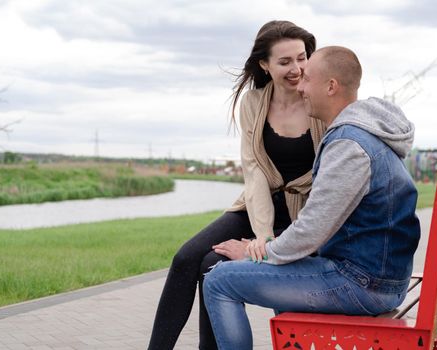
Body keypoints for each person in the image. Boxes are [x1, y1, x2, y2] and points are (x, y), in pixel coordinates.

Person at [203, 46, 421, 350]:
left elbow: (311, 231)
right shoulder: (365, 135)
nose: (300, 87)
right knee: (285, 276)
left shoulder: (349, 144)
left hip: (362, 284)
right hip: (378, 277)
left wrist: (258, 252)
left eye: (306, 79)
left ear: (330, 87)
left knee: (220, 280)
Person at [147, 20, 325, 350]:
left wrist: (272, 249)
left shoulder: (320, 103)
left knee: (211, 267)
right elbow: (255, 172)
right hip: (258, 207)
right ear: (265, 65)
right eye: (284, 62)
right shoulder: (253, 103)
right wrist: (264, 236)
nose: (296, 68)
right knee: (186, 259)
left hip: (305, 215)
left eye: (301, 58)